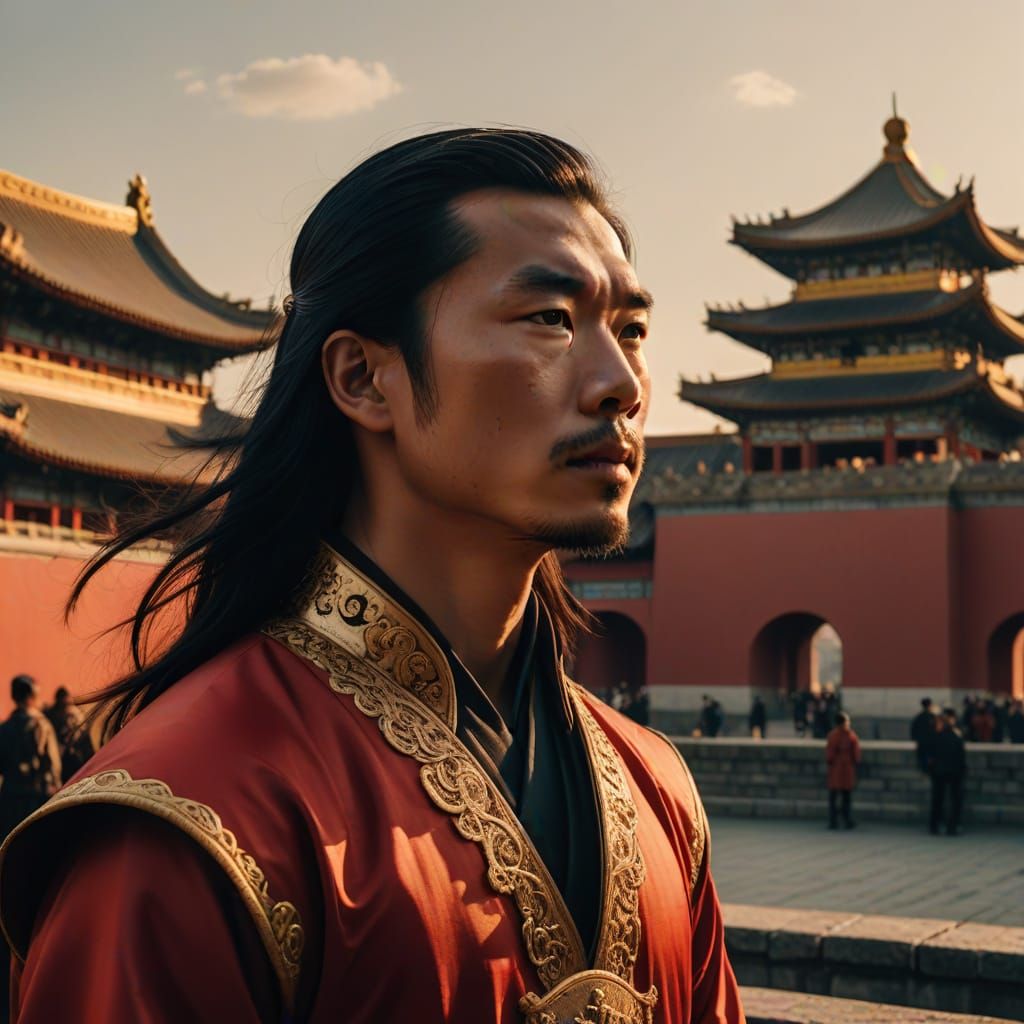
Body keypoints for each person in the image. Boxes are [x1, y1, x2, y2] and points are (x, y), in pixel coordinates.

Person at [0, 131, 743, 1023]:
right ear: (363, 377)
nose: (621, 382)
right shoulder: (196, 817)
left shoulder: (656, 788)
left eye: (631, 330)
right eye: (550, 319)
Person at [928, 707, 967, 835]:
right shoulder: (956, 738)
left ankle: (934, 825)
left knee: (937, 799)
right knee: (955, 800)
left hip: (938, 772)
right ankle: (952, 826)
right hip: (954, 772)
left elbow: (931, 755)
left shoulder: (936, 737)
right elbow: (961, 757)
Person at [44, 687, 95, 783]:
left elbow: (85, 739)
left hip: (76, 760)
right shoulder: (53, 716)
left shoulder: (76, 715)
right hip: (64, 760)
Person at [825, 711, 861, 830]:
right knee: (846, 797)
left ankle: (833, 821)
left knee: (833, 797)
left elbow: (829, 755)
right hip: (847, 769)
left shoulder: (832, 735)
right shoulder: (851, 735)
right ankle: (847, 820)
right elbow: (856, 754)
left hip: (835, 769)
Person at [910, 697, 937, 772]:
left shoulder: (918, 718)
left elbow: (913, 731)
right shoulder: (933, 717)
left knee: (923, 765)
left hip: (921, 745)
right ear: (930, 705)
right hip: (931, 746)